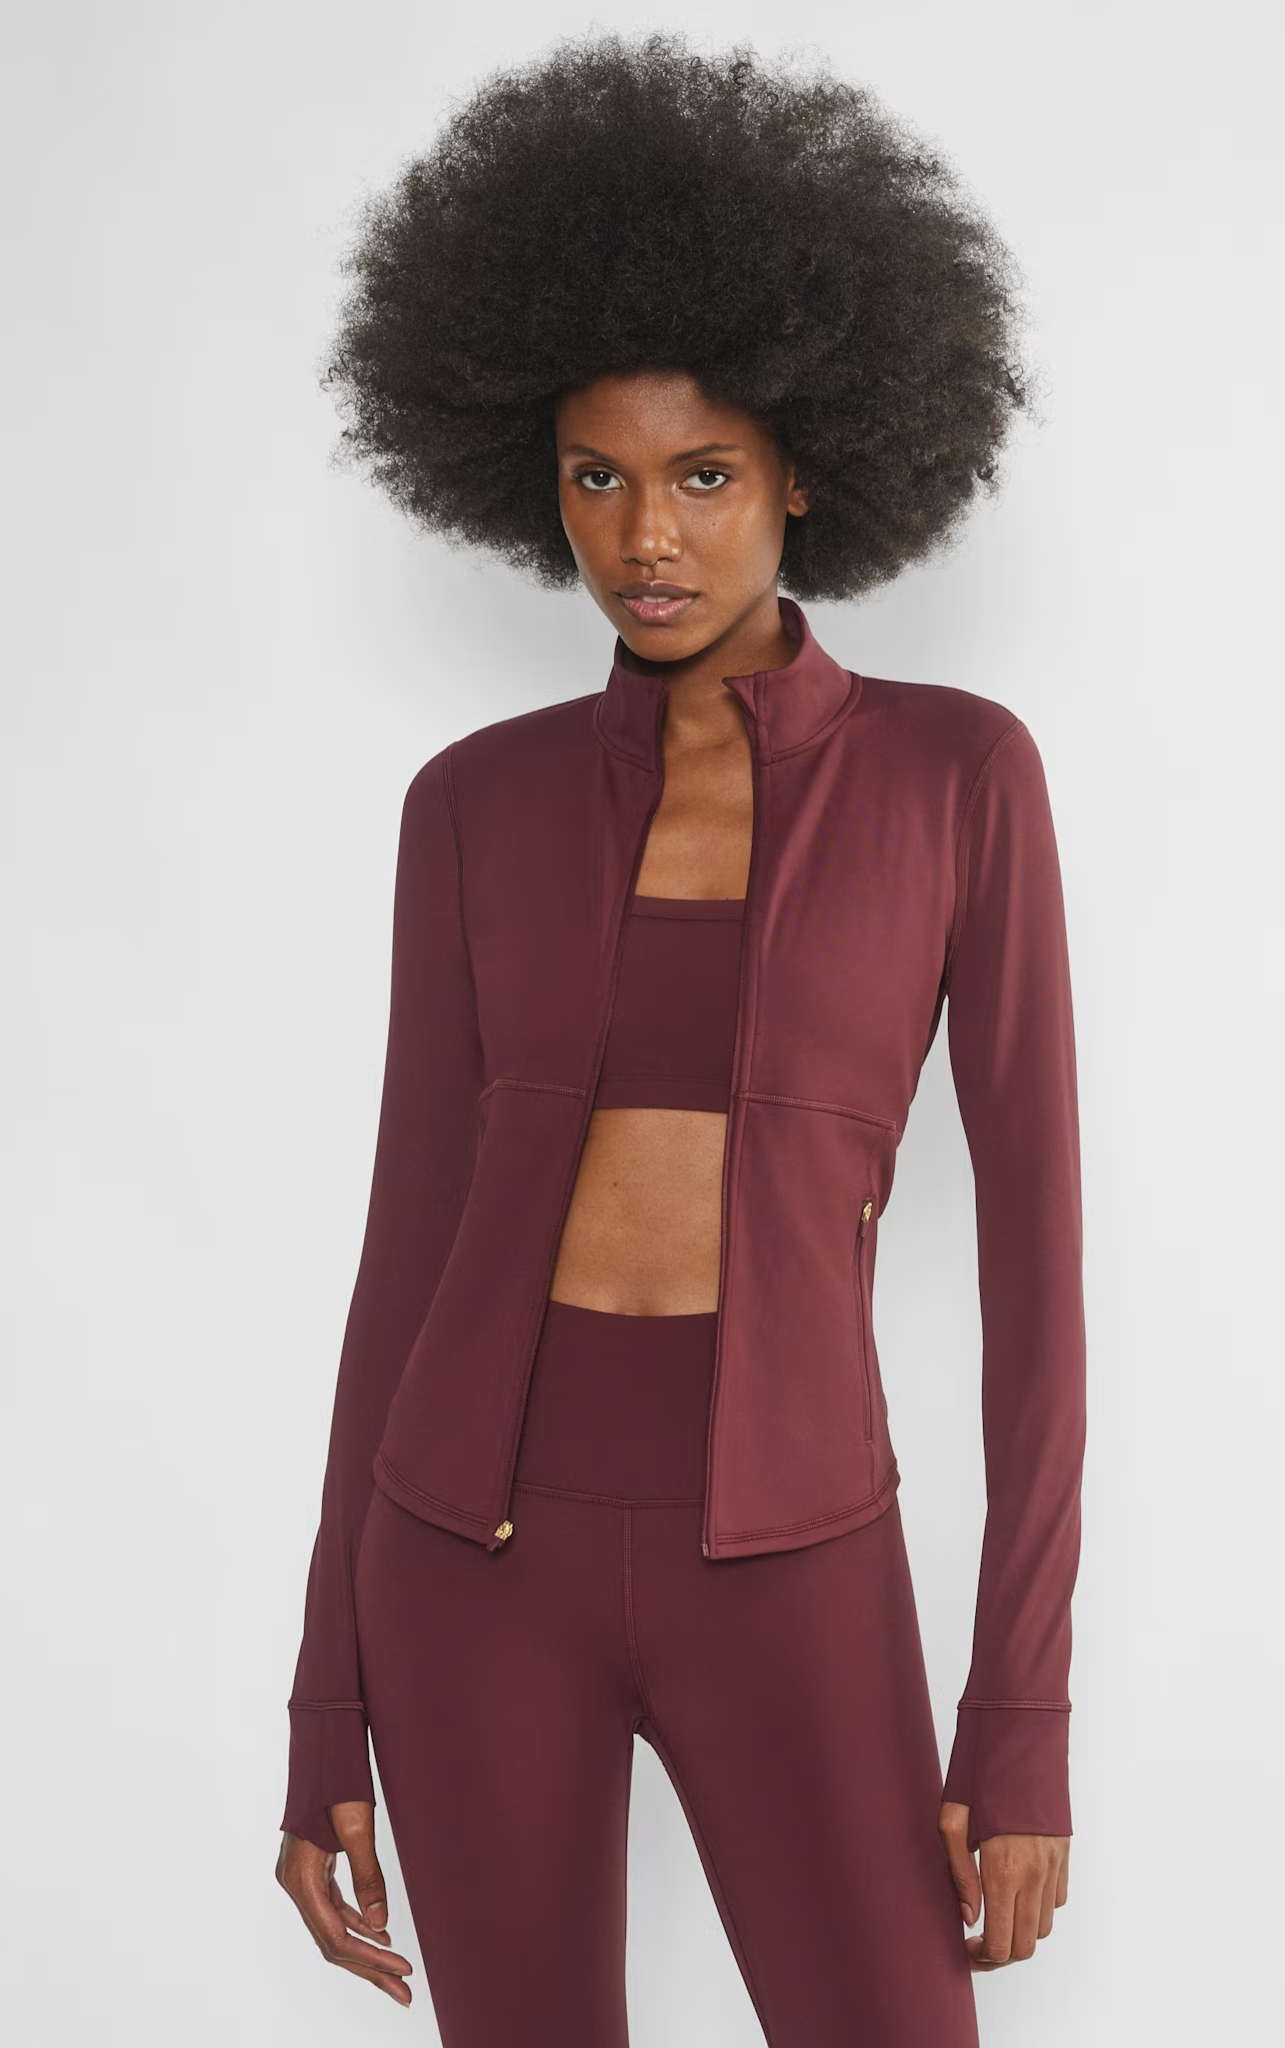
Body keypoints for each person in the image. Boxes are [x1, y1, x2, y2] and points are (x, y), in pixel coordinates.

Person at [274, 34, 1085, 2047]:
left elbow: (1039, 1278)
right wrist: (321, 1703)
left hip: (793, 1560)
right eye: (599, 477)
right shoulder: (472, 805)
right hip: (466, 1561)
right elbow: (406, 1254)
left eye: (704, 474)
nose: (647, 537)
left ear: (804, 466)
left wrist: (1021, 1712)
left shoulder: (958, 780)